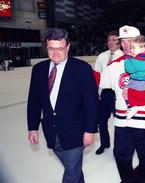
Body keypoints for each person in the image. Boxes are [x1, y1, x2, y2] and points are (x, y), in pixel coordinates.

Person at [27, 28, 99, 183]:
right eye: (51, 48)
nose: (55, 53)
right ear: (46, 47)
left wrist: (90, 130)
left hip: (76, 132)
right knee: (73, 170)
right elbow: (34, 101)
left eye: (60, 48)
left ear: (67, 47)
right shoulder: (39, 70)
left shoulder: (82, 69)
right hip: (52, 132)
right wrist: (32, 127)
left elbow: (92, 102)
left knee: (71, 174)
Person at [97, 25, 145, 183]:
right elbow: (100, 81)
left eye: (131, 41)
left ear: (140, 42)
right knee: (120, 155)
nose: (127, 45)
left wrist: (133, 96)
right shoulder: (115, 65)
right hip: (122, 121)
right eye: (123, 42)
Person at [94, 31, 124, 155]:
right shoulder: (102, 56)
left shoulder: (124, 56)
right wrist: (95, 94)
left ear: (120, 43)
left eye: (114, 40)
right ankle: (104, 144)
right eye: (109, 40)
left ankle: (120, 147)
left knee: (120, 123)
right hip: (104, 94)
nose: (110, 42)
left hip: (117, 94)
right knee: (101, 121)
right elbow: (96, 75)